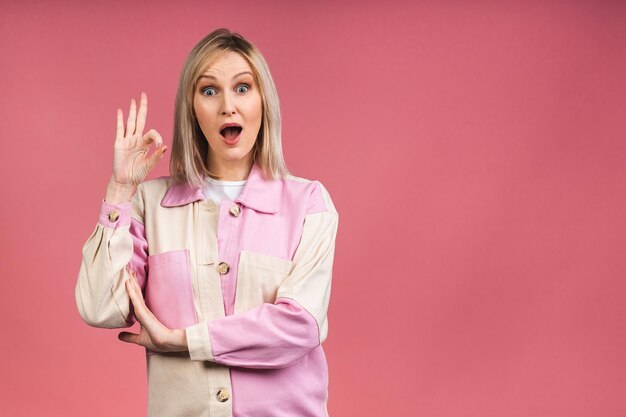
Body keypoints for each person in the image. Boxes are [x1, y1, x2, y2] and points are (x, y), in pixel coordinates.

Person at [75, 28, 339, 417]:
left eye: (243, 88)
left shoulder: (308, 203)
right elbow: (100, 308)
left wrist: (183, 340)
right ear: (192, 108)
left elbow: (300, 326)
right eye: (210, 91)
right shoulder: (151, 203)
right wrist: (119, 190)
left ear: (264, 101)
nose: (228, 106)